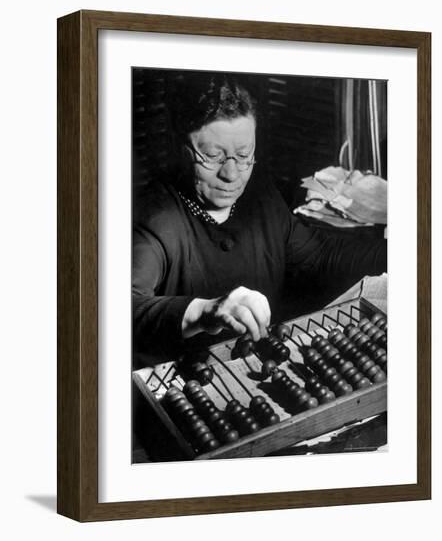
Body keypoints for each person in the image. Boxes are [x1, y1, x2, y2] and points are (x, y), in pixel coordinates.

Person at [132, 74, 386, 357]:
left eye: (243, 155)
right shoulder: (154, 217)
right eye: (214, 156)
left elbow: (320, 254)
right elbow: (122, 308)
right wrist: (204, 311)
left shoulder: (260, 194)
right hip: (181, 381)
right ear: (181, 150)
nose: (231, 174)